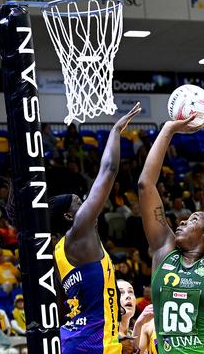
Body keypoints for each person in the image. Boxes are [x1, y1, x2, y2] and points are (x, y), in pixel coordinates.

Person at [139, 120, 204, 353]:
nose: (183, 221)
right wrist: (167, 130)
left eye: (193, 219)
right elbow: (145, 185)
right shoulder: (164, 252)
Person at [50, 106, 139, 353]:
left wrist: (113, 340)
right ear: (69, 215)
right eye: (80, 202)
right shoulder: (79, 229)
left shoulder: (59, 252)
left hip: (79, 341)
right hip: (90, 345)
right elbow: (109, 170)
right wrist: (115, 131)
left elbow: (68, 308)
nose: (87, 202)